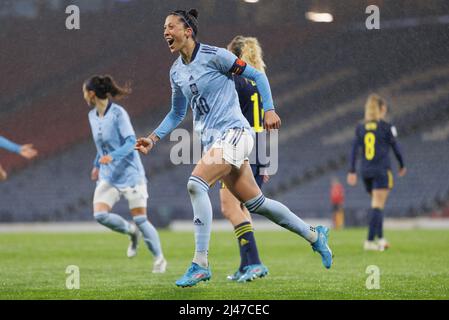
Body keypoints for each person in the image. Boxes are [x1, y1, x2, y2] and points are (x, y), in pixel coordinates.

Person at [136, 8, 333, 287]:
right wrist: (153, 139)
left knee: (195, 184)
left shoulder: (216, 55)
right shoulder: (176, 72)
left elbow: (258, 76)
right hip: (214, 141)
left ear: (187, 31)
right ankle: (314, 235)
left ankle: (200, 263)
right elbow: (176, 113)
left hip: (235, 133)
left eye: (170, 27)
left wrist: (269, 110)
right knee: (257, 203)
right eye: (164, 28)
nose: (165, 32)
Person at [84, 75, 167, 273]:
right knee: (100, 215)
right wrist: (97, 164)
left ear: (92, 94)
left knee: (141, 219)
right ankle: (131, 233)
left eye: (85, 92)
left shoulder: (118, 113)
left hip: (131, 173)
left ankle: (159, 259)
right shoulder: (92, 116)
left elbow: (131, 142)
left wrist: (112, 157)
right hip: (109, 176)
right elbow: (101, 146)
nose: (84, 96)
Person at [220, 35, 270, 283]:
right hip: (260, 150)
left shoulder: (236, 80)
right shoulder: (259, 82)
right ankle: (246, 264)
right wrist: (267, 160)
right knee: (241, 209)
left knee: (230, 207)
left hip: (240, 149)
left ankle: (255, 263)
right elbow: (265, 124)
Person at [347, 94, 406, 251]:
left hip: (365, 171)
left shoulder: (360, 127)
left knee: (376, 205)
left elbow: (354, 150)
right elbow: (396, 148)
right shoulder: (387, 127)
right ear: (382, 108)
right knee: (378, 206)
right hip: (381, 170)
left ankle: (380, 238)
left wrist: (352, 170)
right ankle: (369, 241)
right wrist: (402, 165)